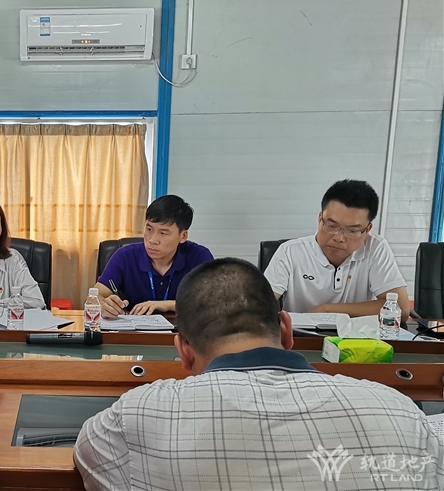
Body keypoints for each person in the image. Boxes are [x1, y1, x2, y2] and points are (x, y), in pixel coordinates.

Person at [74, 258, 443, 491]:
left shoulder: (139, 415)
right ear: (286, 330)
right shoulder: (399, 412)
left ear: (183, 351)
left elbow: (91, 457)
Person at [265, 179, 410, 320]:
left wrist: (327, 310)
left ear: (367, 229)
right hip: (298, 335)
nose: (339, 238)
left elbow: (400, 309)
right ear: (320, 219)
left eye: (352, 231)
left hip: (356, 336)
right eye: (331, 226)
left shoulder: (375, 248)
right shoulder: (290, 252)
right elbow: (259, 304)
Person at [95, 195, 213, 318]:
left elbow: (212, 302)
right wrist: (102, 304)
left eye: (163, 233)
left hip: (182, 328)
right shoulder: (125, 256)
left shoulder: (199, 257)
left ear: (183, 236)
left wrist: (168, 305)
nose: (152, 240)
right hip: (133, 328)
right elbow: (96, 294)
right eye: (149, 229)